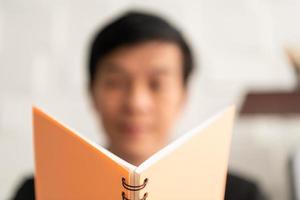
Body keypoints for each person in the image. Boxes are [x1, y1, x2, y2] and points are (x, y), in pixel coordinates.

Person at [12, 10, 265, 200]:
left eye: (156, 84)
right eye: (115, 82)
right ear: (91, 91)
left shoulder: (239, 194)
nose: (136, 103)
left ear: (183, 94)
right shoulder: (38, 192)